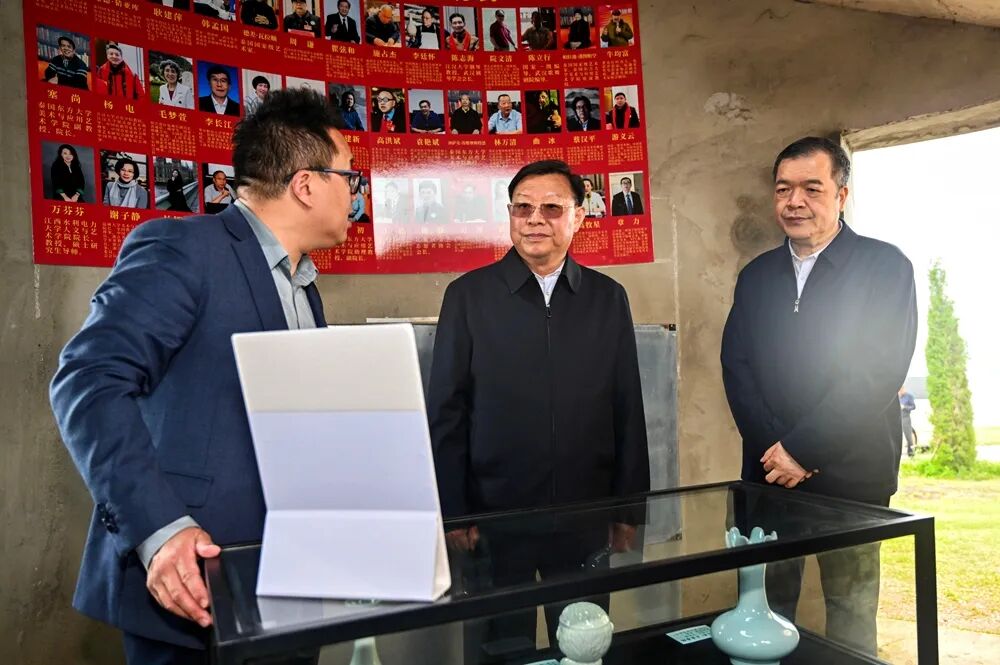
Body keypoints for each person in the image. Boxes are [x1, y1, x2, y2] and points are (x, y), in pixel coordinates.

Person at [51, 88, 358, 665]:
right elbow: (88, 379)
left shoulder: (304, 287)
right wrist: (161, 531)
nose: (354, 193)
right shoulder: (185, 248)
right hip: (196, 583)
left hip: (289, 583)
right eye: (348, 175)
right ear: (306, 185)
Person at [428, 159, 649, 656]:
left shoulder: (607, 298)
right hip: (494, 517)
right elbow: (446, 411)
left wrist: (628, 508)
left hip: (585, 514)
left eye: (551, 208)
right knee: (500, 648)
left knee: (584, 645)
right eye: (522, 208)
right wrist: (454, 512)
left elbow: (627, 408)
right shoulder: (468, 296)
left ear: (578, 217)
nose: (534, 219)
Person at [720, 137, 917, 656]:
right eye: (783, 189)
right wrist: (777, 453)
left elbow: (876, 371)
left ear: (842, 194)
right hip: (769, 478)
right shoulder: (756, 275)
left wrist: (803, 450)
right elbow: (737, 367)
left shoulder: (884, 267)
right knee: (763, 612)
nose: (794, 202)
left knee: (852, 616)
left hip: (852, 482)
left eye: (812, 188)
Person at [899, 387, 917, 458]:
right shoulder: (896, 396)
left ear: (903, 389)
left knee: (908, 436)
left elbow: (913, 407)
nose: (900, 392)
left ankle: (911, 453)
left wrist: (904, 407)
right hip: (897, 418)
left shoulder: (909, 396)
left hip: (905, 418)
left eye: (901, 390)